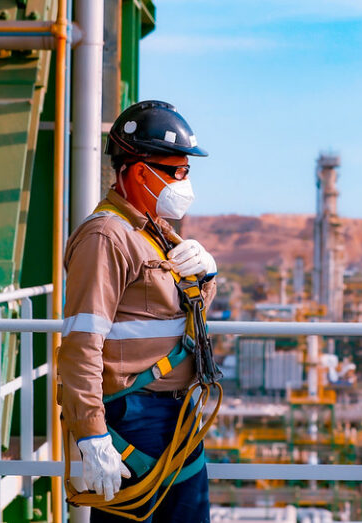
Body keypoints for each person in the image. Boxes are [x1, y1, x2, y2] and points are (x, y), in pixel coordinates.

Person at [58, 100, 218, 522]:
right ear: (142, 170)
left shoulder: (153, 232)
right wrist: (92, 433)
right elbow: (81, 343)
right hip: (134, 414)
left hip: (173, 414)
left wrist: (207, 275)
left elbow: (179, 315)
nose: (185, 183)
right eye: (177, 171)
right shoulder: (106, 237)